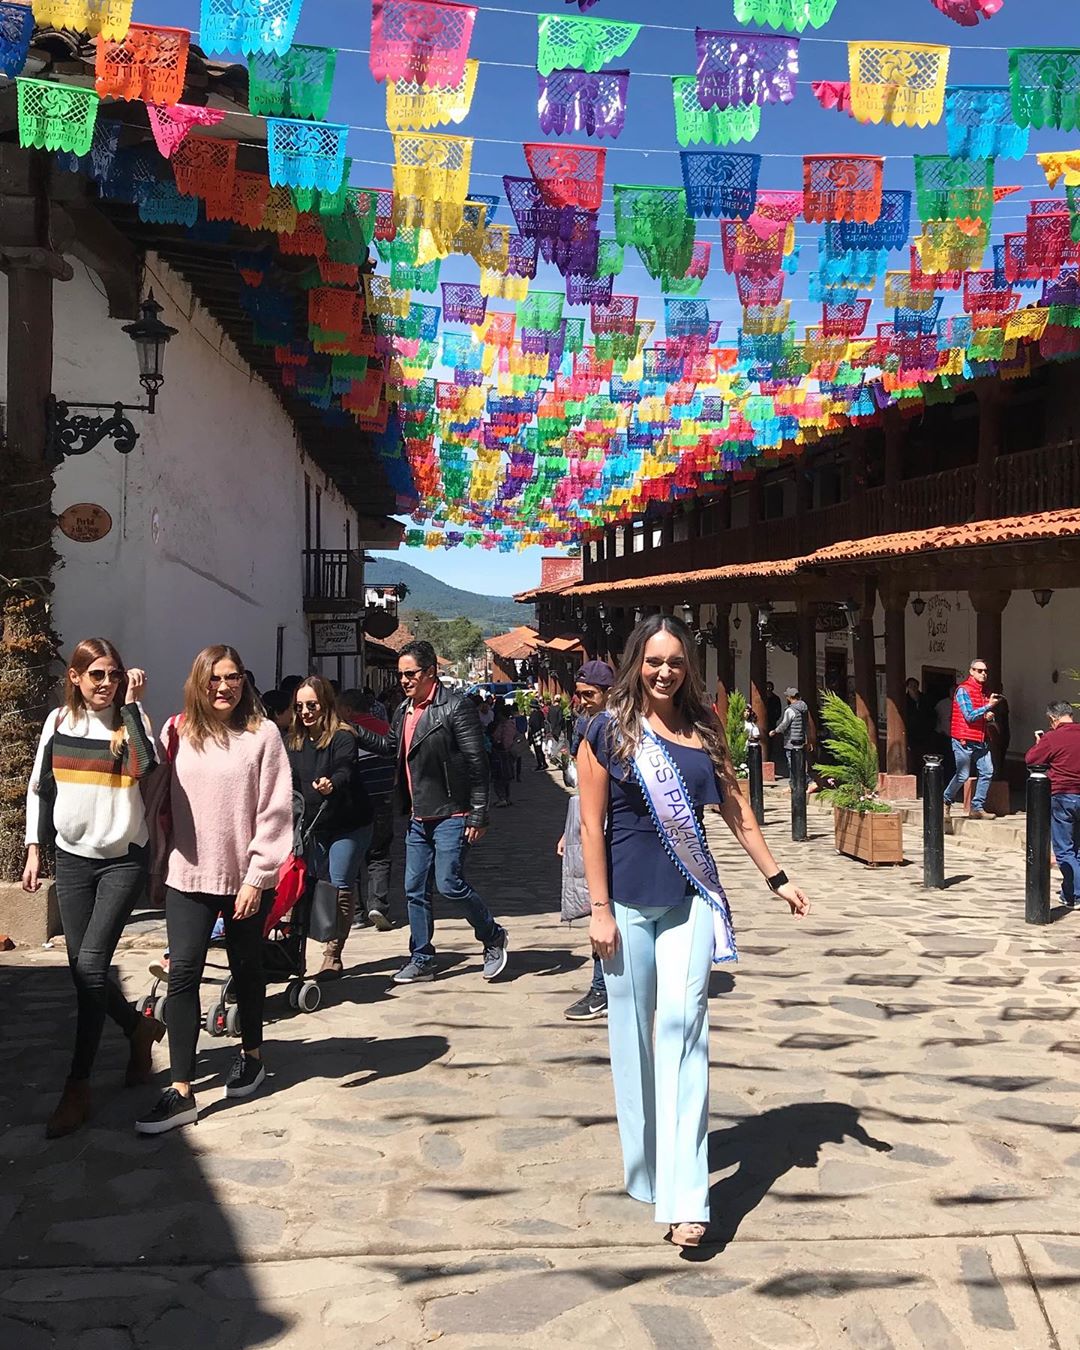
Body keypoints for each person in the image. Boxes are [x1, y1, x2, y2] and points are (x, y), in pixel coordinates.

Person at [578, 615, 810, 1248]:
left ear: (687, 667)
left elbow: (739, 813)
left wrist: (777, 878)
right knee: (633, 1041)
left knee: (685, 1036)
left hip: (688, 900)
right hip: (623, 906)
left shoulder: (705, 730)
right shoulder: (605, 731)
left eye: (674, 661)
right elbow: (590, 827)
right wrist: (597, 909)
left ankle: (689, 1196)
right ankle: (648, 1168)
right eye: (653, 660)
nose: (663, 671)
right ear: (636, 663)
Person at [135, 645, 293, 1135]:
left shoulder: (262, 735)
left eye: (234, 678)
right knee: (182, 973)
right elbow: (149, 781)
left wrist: (257, 876)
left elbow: (275, 808)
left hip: (244, 879)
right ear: (198, 682)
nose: (224, 687)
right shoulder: (177, 731)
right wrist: (133, 708)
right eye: (214, 679)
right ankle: (181, 1089)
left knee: (246, 968)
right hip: (188, 873)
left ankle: (251, 1055)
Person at [22, 639, 161, 1139]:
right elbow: (42, 786)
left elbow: (146, 767)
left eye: (114, 674)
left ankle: (76, 1087)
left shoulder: (130, 721)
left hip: (122, 860)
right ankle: (137, 1027)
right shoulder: (58, 722)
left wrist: (132, 706)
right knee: (85, 972)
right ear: (77, 677)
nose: (106, 683)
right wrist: (35, 846)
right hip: (73, 860)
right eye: (97, 675)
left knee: (90, 969)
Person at [352, 641, 510, 985]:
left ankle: (492, 935)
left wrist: (479, 812)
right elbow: (391, 747)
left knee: (449, 883)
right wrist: (355, 731)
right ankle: (422, 957)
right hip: (418, 815)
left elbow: (476, 761)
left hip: (453, 811)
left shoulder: (455, 708)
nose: (404, 681)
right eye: (401, 675)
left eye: (410, 674)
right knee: (413, 888)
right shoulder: (403, 711)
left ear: (430, 672)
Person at [287, 676, 373, 978]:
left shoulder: (342, 736)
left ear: (325, 703)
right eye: (300, 706)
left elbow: (345, 768)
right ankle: (295, 950)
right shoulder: (295, 742)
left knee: (338, 885)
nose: (306, 712)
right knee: (310, 884)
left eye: (312, 705)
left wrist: (331, 784)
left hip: (349, 823)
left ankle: (333, 954)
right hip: (313, 825)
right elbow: (289, 780)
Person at [559, 660, 616, 1022]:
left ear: (608, 693)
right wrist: (570, 831)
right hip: (592, 822)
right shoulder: (587, 724)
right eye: (578, 694)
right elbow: (585, 789)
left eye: (589, 694)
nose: (582, 700)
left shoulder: (611, 729)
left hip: (614, 829)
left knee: (604, 908)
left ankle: (602, 988)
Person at [344, 689, 395, 930]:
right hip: (383, 798)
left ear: (348, 710)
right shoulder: (386, 727)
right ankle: (378, 905)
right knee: (379, 855)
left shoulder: (345, 732)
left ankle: (355, 913)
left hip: (354, 801)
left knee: (352, 856)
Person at [1026, 701, 1080, 908]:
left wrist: (1040, 743)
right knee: (1078, 849)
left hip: (1063, 796)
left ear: (1053, 719)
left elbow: (1032, 759)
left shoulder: (1052, 738)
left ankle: (1075, 893)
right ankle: (1071, 892)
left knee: (1064, 849)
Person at [943, 658, 1002, 820]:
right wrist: (988, 706)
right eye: (979, 670)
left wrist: (987, 715)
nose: (983, 674)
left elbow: (979, 714)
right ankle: (946, 801)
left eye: (985, 671)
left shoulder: (983, 691)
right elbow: (969, 716)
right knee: (962, 775)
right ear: (971, 671)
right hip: (963, 739)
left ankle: (977, 807)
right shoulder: (963, 690)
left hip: (980, 739)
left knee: (987, 771)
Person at [770, 686, 809, 776]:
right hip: (801, 739)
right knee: (800, 763)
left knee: (792, 764)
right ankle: (802, 783)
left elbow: (784, 724)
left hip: (791, 741)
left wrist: (775, 731)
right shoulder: (804, 708)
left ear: (790, 697)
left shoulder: (791, 710)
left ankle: (799, 783)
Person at [490, 703, 516, 808]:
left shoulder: (505, 724)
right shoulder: (511, 723)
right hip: (507, 753)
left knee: (499, 777)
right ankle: (506, 797)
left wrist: (498, 742)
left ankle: (502, 798)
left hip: (502, 752)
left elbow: (504, 740)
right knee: (505, 777)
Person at [527, 700, 547, 771]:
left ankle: (540, 764)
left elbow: (530, 726)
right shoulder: (540, 713)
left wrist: (529, 737)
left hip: (535, 733)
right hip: (540, 732)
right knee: (539, 749)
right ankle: (543, 763)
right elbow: (543, 723)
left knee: (537, 750)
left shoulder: (533, 715)